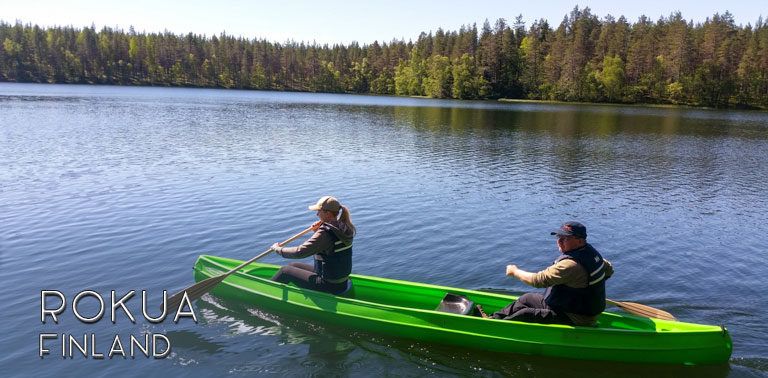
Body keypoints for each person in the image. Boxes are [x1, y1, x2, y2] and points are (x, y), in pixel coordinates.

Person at [489, 221, 613, 326]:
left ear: (580, 241)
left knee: (525, 314)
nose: (559, 241)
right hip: (574, 307)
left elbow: (538, 280)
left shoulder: (570, 265)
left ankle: (493, 327)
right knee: (526, 298)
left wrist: (515, 271)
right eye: (558, 237)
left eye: (565, 238)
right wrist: (588, 290)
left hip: (575, 317)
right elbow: (608, 271)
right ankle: (493, 318)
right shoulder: (594, 255)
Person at [270, 196, 356, 295]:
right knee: (292, 265)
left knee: (285, 271)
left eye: (319, 211)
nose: (317, 214)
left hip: (329, 285)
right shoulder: (344, 227)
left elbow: (300, 252)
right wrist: (317, 231)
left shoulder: (325, 232)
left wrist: (278, 249)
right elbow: (328, 245)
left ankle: (267, 294)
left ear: (327, 213)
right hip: (340, 281)